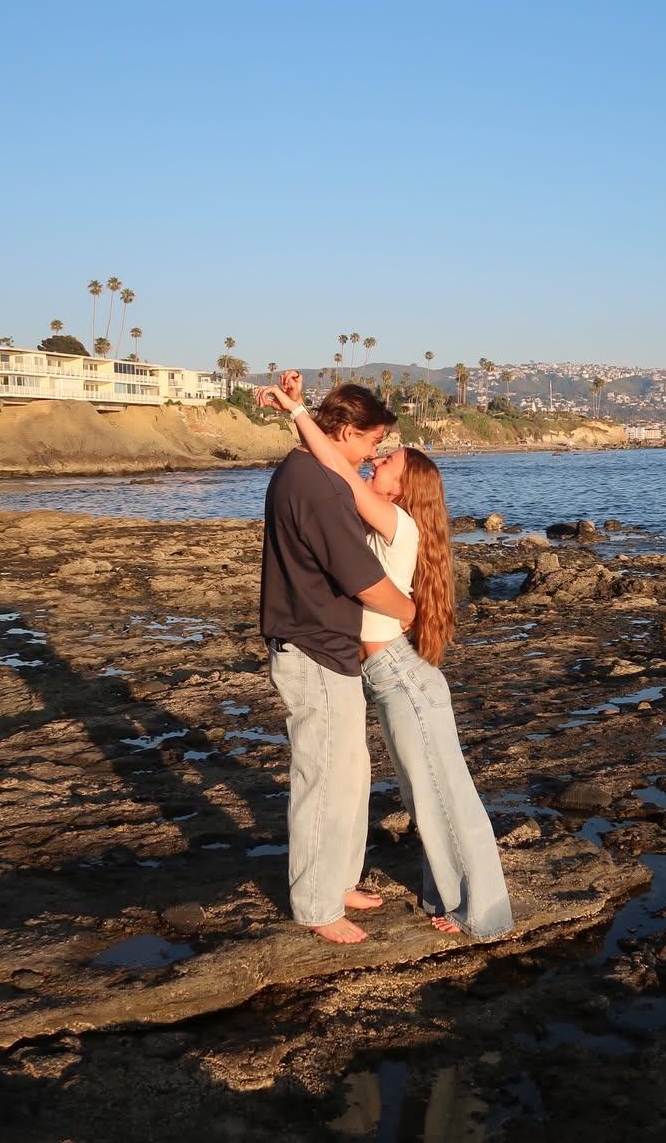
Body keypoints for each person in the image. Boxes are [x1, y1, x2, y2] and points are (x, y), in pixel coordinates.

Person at [260, 373, 513, 941]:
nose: (376, 459)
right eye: (377, 446)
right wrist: (298, 412)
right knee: (416, 793)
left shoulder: (396, 521)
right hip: (381, 672)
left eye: (387, 460)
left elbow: (339, 463)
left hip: (399, 675)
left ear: (402, 489)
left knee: (442, 796)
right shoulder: (371, 506)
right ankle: (436, 896)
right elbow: (335, 458)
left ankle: (481, 913)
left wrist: (408, 611)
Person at [259, 383, 417, 945]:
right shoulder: (319, 487)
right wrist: (412, 610)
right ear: (348, 432)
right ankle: (316, 905)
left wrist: (295, 408)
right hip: (314, 649)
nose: (375, 454)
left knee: (350, 774)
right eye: (373, 442)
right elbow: (366, 582)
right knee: (324, 778)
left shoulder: (305, 470)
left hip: (326, 647)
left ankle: (339, 881)